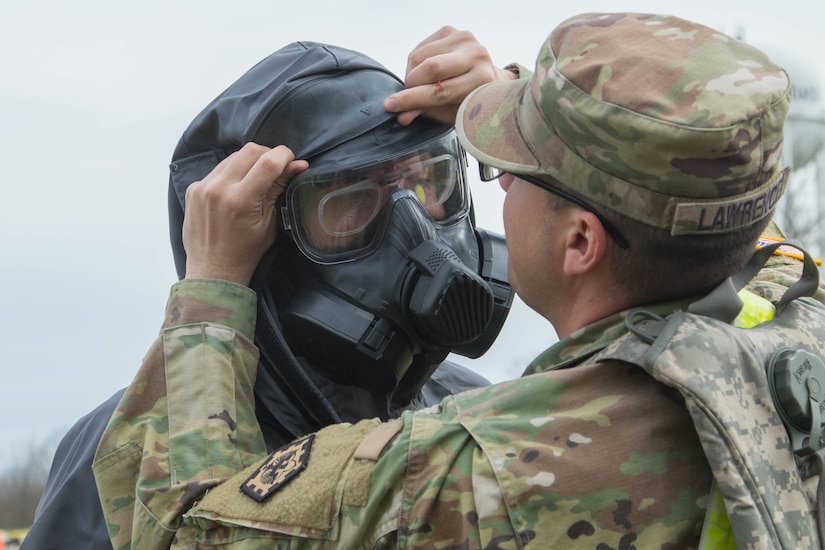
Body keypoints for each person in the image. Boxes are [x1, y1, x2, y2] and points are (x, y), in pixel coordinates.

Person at [94, 12, 825, 549]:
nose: (495, 184)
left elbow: (181, 532)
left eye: (517, 172)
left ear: (579, 240)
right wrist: (528, 110)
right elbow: (728, 223)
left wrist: (213, 289)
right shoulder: (798, 337)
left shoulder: (475, 470)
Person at [23, 42, 512, 550]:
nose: (416, 230)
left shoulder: (470, 411)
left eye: (426, 179)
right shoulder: (126, 450)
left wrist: (509, 106)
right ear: (261, 243)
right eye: (350, 200)